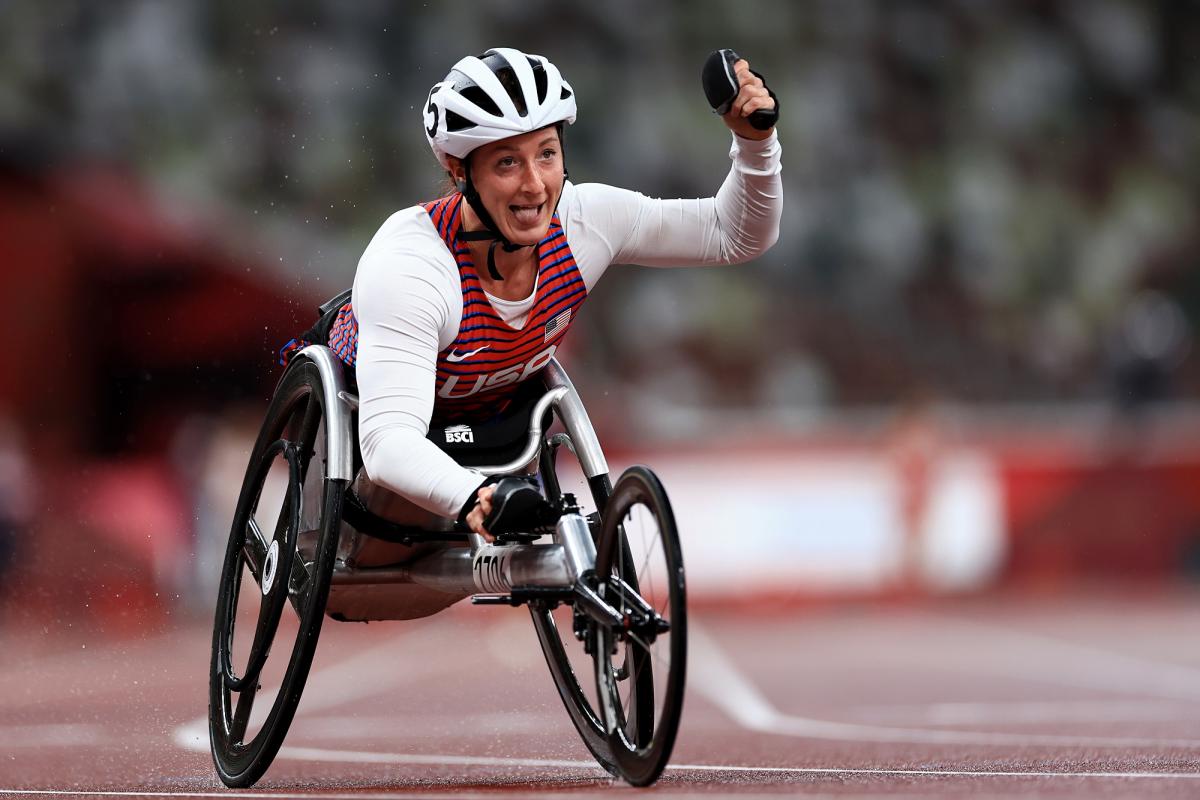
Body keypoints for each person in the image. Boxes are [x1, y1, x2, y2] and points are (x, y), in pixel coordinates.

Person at [320, 47, 781, 541]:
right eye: (506, 163)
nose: (535, 185)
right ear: (459, 170)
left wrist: (755, 143)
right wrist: (474, 497)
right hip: (388, 444)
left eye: (546, 154)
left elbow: (733, 234)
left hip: (505, 425)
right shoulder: (412, 265)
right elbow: (388, 441)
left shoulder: (585, 222)